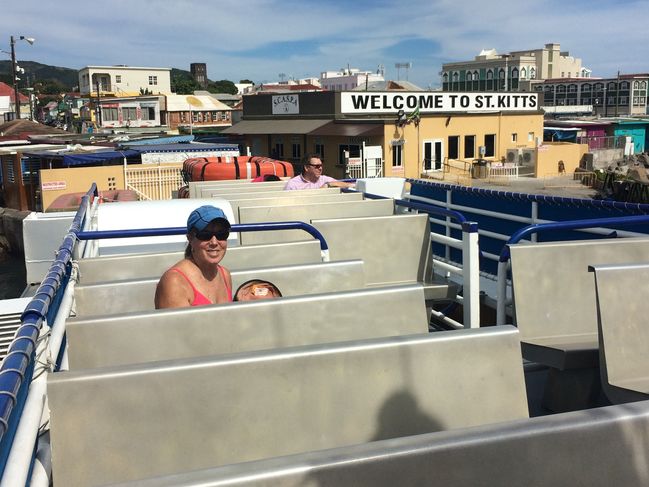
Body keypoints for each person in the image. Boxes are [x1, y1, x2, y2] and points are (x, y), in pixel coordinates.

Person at [155, 205, 233, 308]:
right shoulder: (174, 282)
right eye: (205, 235)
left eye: (221, 234)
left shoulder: (225, 275)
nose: (214, 242)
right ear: (190, 238)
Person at [284, 153, 355, 190]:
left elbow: (338, 183)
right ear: (306, 168)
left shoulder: (324, 179)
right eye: (317, 166)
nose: (320, 168)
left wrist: (352, 185)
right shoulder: (292, 184)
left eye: (321, 165)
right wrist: (323, 188)